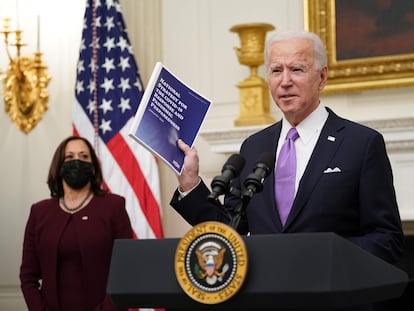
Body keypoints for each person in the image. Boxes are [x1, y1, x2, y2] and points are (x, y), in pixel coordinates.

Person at [170, 29, 404, 296]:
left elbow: (388, 238)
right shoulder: (254, 146)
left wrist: (326, 260)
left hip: (333, 299)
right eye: (276, 70)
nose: (285, 81)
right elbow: (229, 232)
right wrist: (190, 183)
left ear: (322, 77)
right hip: (266, 299)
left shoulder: (361, 144)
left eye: (296, 69)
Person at [20, 136, 132, 311]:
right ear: (59, 166)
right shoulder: (39, 212)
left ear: (93, 166)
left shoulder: (114, 207)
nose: (77, 161)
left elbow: (126, 271)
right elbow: (28, 276)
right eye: (69, 157)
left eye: (84, 156)